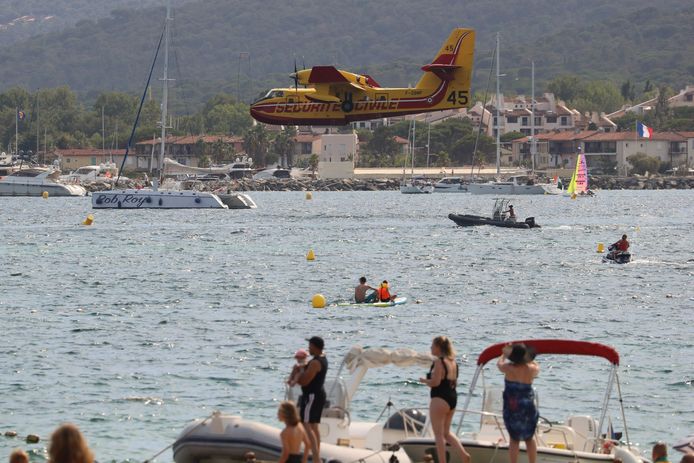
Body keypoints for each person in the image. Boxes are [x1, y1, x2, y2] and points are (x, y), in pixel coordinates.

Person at [419, 336, 470, 463]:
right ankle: (464, 455)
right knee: (446, 433)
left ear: (438, 347)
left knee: (438, 434)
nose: (430, 348)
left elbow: (436, 382)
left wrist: (425, 381)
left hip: (439, 398)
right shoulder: (453, 362)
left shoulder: (438, 362)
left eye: (432, 345)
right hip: (452, 397)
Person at [497, 343, 540, 463]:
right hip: (528, 407)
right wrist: (530, 359)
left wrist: (503, 355)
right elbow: (537, 366)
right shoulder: (531, 369)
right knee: (529, 439)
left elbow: (499, 364)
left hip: (513, 407)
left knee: (514, 439)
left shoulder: (509, 368)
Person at [297, 336, 328, 463]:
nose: (308, 348)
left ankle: (316, 458)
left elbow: (305, 381)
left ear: (315, 347)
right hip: (317, 395)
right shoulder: (322, 358)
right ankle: (316, 457)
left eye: (310, 346)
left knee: (306, 424)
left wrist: (299, 371)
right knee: (314, 426)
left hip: (312, 396)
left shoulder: (315, 363)